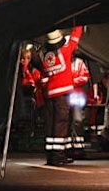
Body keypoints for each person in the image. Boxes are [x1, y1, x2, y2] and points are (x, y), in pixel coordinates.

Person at [38, 25, 83, 166]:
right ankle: (58, 156)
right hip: (63, 93)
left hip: (50, 93)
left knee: (51, 124)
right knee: (61, 124)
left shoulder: (43, 55)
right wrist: (80, 23)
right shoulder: (65, 50)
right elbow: (75, 39)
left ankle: (50, 155)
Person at [19, 46, 44, 136]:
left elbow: (33, 83)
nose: (25, 60)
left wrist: (26, 70)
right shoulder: (18, 71)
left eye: (28, 58)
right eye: (23, 58)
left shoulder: (34, 71)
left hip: (33, 97)